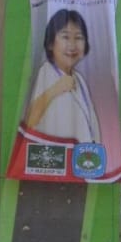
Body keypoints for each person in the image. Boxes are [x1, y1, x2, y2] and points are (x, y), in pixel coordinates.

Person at [22, 8, 100, 143]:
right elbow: (30, 121)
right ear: (51, 43)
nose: (72, 45)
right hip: (56, 155)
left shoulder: (79, 79)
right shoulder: (46, 72)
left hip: (83, 157)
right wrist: (56, 89)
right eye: (65, 37)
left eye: (78, 38)